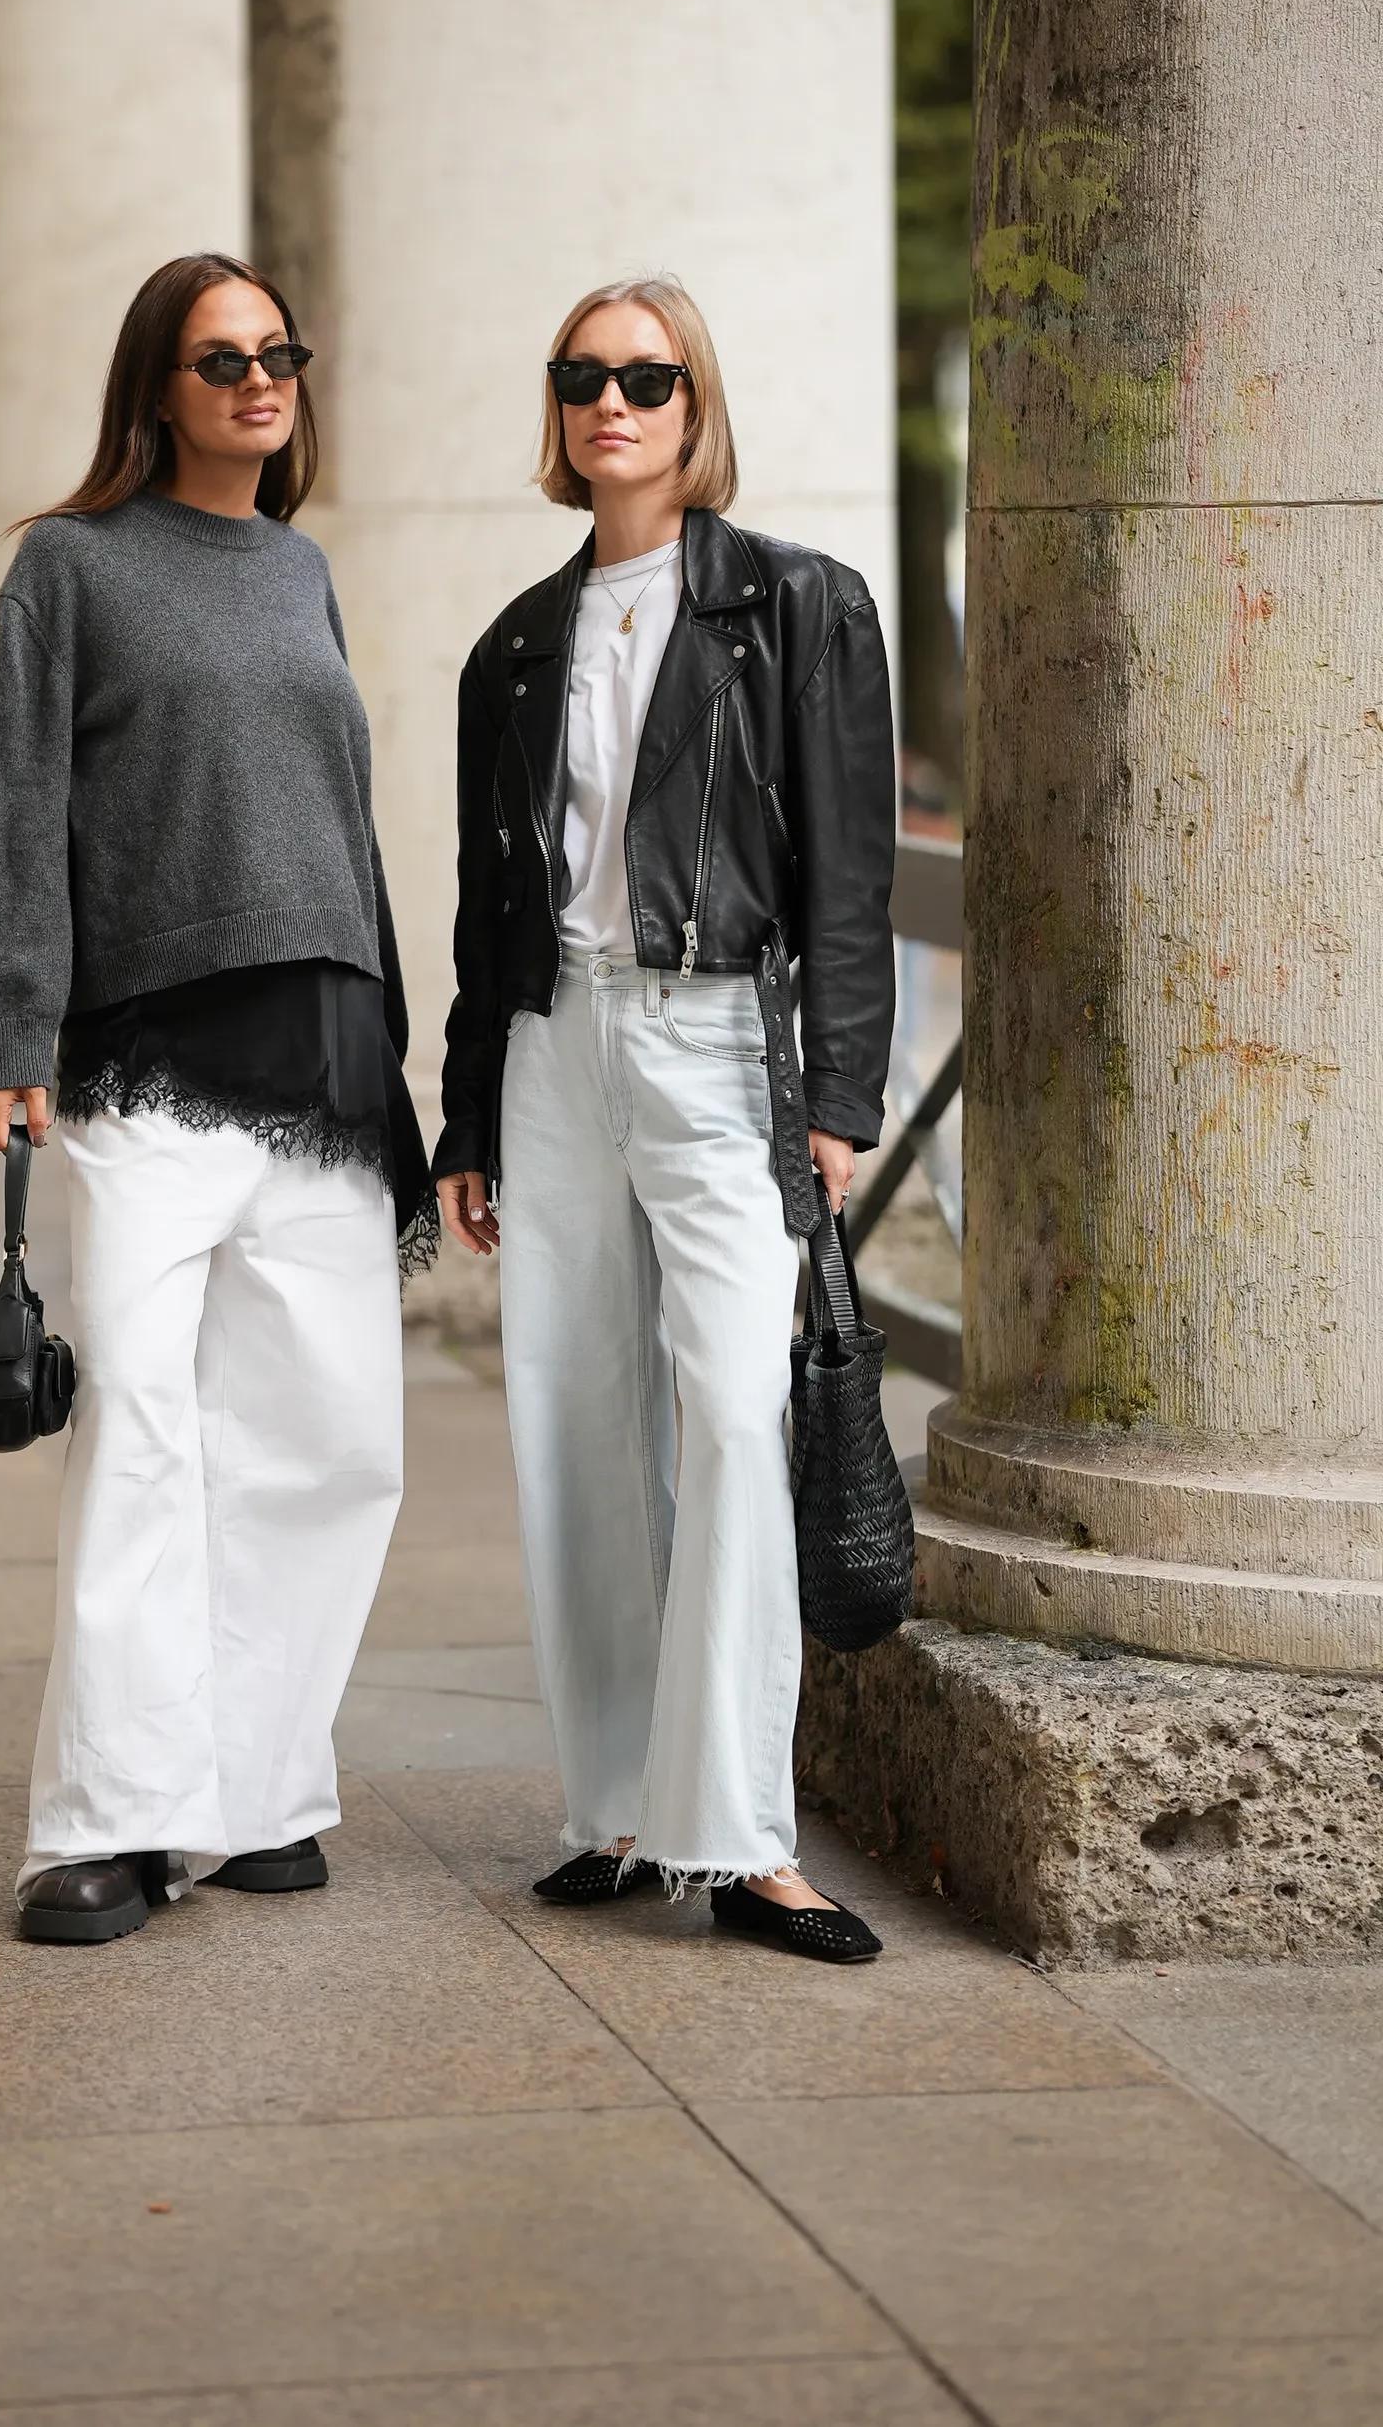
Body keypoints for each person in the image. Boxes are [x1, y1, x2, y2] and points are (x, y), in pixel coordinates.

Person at [0, 251, 433, 1947]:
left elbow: (341, 826)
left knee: (331, 1441)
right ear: (155, 388)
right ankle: (109, 1821)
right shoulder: (72, 566)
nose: (258, 379)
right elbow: (14, 799)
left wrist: (400, 1068)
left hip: (321, 1060)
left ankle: (259, 1788)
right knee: (145, 1430)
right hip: (147, 1060)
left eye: (278, 352)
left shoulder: (302, 570)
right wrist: (10, 1027)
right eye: (220, 356)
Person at [433, 275, 895, 1963]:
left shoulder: (798, 604)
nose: (610, 405)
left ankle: (747, 1835)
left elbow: (849, 872)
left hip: (715, 1042)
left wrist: (840, 1090)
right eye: (582, 378)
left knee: (732, 1411)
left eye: (644, 378)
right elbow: (489, 901)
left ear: (697, 403)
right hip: (555, 1042)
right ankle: (623, 1809)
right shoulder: (515, 642)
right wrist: (467, 1113)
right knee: (575, 1417)